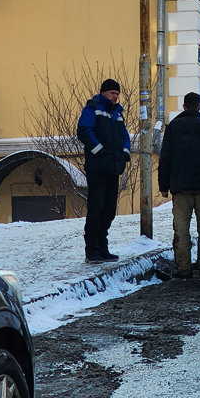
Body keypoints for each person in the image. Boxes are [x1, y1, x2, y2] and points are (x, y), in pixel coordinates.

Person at [158, 92, 200, 277]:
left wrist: (163, 185)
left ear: (184, 106)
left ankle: (183, 268)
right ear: (199, 106)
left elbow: (165, 158)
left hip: (181, 186)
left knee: (181, 227)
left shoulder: (173, 127)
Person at [77, 78, 132, 263]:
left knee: (109, 209)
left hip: (113, 168)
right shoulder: (93, 108)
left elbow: (125, 135)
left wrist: (124, 152)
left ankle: (103, 248)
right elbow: (84, 130)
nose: (115, 97)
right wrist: (100, 151)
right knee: (96, 207)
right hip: (98, 168)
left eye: (117, 94)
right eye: (112, 93)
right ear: (103, 93)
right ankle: (92, 250)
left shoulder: (117, 113)